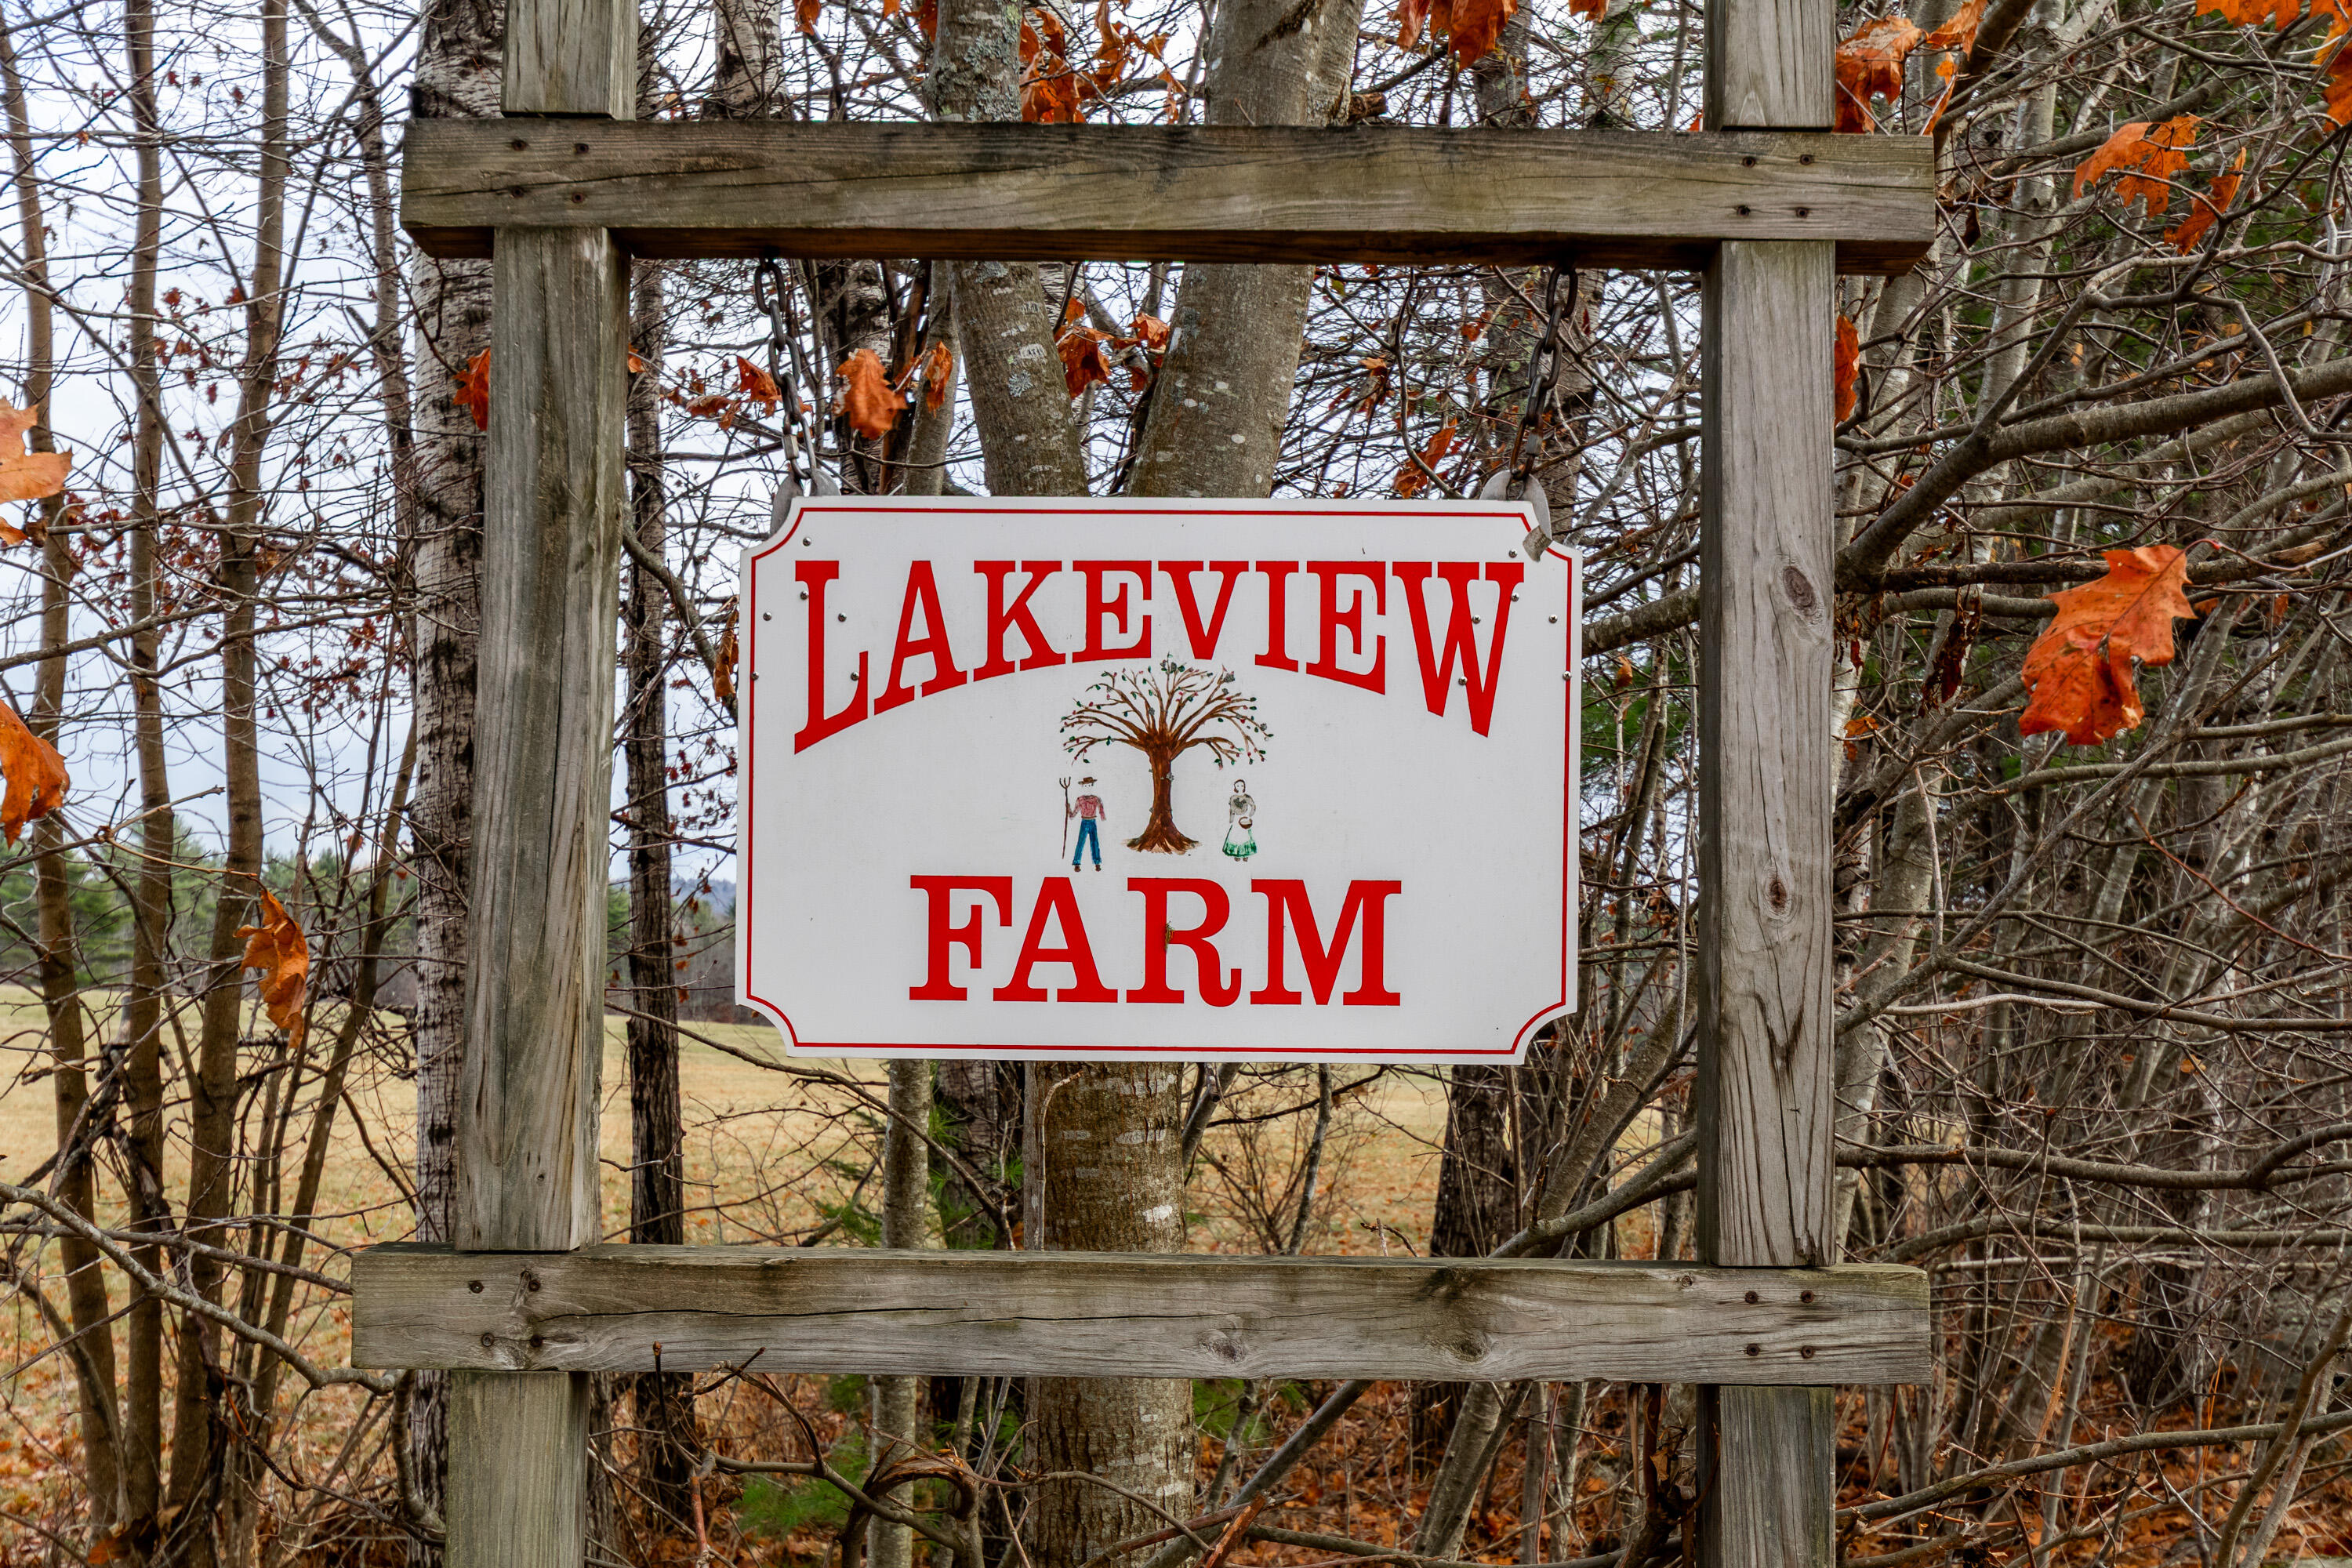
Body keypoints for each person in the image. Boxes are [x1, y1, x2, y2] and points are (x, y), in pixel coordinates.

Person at [1069, 777, 1107, 871]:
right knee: (1080, 843)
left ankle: (1097, 863)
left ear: (1092, 786)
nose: (1088, 787)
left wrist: (1103, 819)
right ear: (1082, 787)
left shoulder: (1096, 799)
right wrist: (1068, 809)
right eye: (1086, 786)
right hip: (1084, 822)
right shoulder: (1080, 799)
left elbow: (1101, 810)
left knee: (1094, 842)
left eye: (1089, 785)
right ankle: (1077, 863)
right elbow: (1073, 815)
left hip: (1093, 822)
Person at [1222, 779, 1257, 861]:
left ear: (1244, 786)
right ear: (1235, 787)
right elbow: (1232, 810)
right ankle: (1236, 855)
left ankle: (1245, 855)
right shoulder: (1233, 798)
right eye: (1238, 786)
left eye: (1242, 785)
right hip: (1236, 819)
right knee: (1235, 836)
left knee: (1245, 836)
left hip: (1244, 818)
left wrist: (1249, 816)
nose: (1240, 787)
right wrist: (1231, 820)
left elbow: (1253, 806)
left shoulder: (1247, 797)